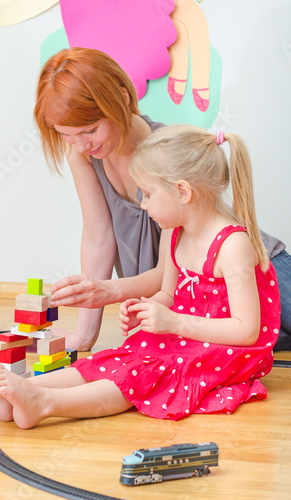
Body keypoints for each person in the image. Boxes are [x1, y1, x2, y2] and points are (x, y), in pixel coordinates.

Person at [0, 125, 280, 429]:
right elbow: (170, 295)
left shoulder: (232, 244)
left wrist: (174, 323)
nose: (142, 205)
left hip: (224, 347)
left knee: (144, 373)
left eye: (146, 194)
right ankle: (19, 391)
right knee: (117, 357)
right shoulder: (175, 232)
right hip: (185, 333)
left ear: (183, 192)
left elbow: (247, 331)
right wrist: (146, 309)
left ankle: (46, 403)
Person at [35, 47, 291, 352]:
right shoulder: (84, 154)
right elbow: (98, 238)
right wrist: (84, 335)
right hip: (196, 297)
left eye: (90, 129)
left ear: (123, 99)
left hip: (256, 273)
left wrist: (107, 290)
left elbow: (166, 271)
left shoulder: (165, 152)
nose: (80, 145)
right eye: (66, 134)